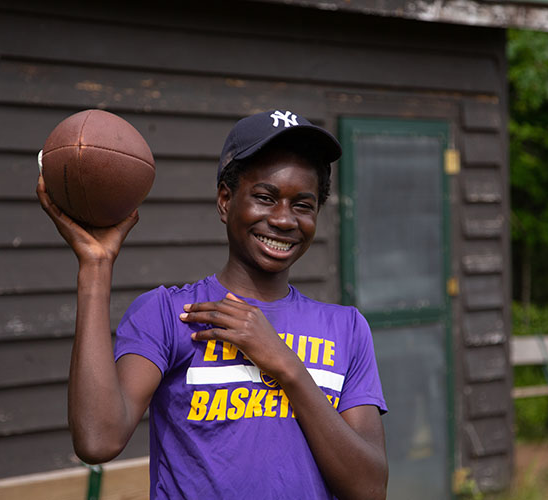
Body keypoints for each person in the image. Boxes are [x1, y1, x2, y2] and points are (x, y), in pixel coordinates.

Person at [37, 109, 388, 499]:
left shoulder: (346, 328)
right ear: (225, 200)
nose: (284, 220)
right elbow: (97, 441)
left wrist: (285, 364)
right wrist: (95, 267)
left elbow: (370, 488)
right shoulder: (171, 316)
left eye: (302, 205)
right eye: (265, 197)